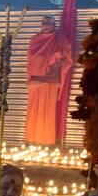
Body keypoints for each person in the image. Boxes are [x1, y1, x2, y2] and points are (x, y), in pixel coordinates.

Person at [24, 15, 73, 146]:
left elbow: (67, 58)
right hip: (35, 80)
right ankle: (31, 139)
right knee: (33, 110)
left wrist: (55, 61)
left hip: (50, 80)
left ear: (54, 25)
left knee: (47, 111)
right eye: (43, 23)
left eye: (49, 23)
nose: (45, 25)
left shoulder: (60, 40)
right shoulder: (35, 39)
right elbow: (30, 59)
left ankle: (45, 142)